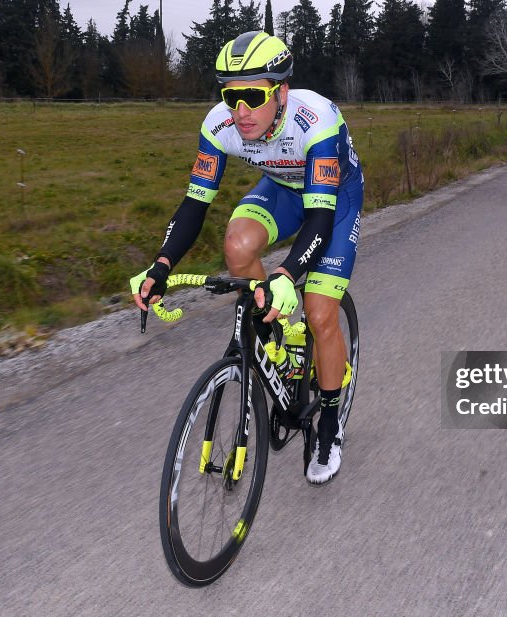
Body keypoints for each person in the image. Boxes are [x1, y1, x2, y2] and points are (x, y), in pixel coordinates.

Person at [131, 30, 364, 485]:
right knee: (237, 245)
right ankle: (281, 334)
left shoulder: (315, 121)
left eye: (253, 97)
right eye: (230, 97)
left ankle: (330, 427)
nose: (240, 112)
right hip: (282, 188)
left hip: (332, 199)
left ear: (280, 92)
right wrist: (160, 266)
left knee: (319, 311)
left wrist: (285, 273)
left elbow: (318, 220)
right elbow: (195, 204)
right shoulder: (218, 125)